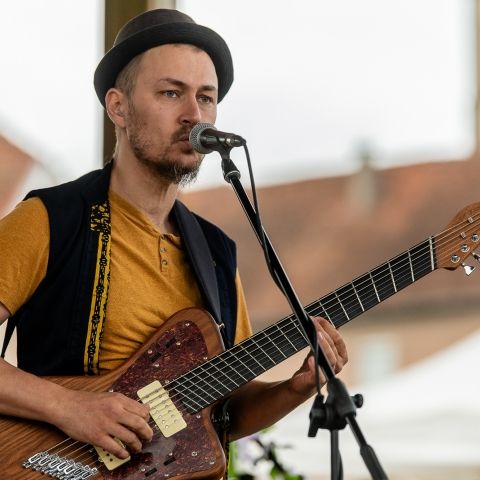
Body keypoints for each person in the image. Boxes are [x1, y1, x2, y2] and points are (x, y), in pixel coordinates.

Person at [0, 8, 348, 478]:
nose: (194, 115)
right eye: (171, 93)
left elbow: (223, 415)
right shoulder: (49, 219)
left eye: (206, 98)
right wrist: (69, 407)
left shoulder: (216, 253)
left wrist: (294, 389)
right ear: (118, 107)